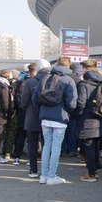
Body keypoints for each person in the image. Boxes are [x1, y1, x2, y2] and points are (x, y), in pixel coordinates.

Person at [32, 57, 78, 185]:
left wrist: (41, 110)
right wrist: (69, 111)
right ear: (68, 66)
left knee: (46, 145)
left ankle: (44, 176)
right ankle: (52, 176)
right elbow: (72, 101)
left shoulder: (45, 77)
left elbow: (35, 97)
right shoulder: (68, 80)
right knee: (56, 147)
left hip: (45, 117)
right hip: (60, 117)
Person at [75, 60, 102, 182]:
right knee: (95, 147)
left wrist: (78, 115)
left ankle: (91, 174)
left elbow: (81, 103)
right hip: (100, 120)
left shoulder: (84, 84)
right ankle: (95, 170)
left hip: (87, 121)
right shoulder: (101, 85)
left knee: (88, 147)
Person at [21, 59, 50, 178]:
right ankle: (47, 170)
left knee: (32, 145)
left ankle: (33, 170)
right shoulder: (52, 81)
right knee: (47, 145)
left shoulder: (30, 82)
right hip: (47, 116)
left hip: (31, 116)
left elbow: (23, 100)